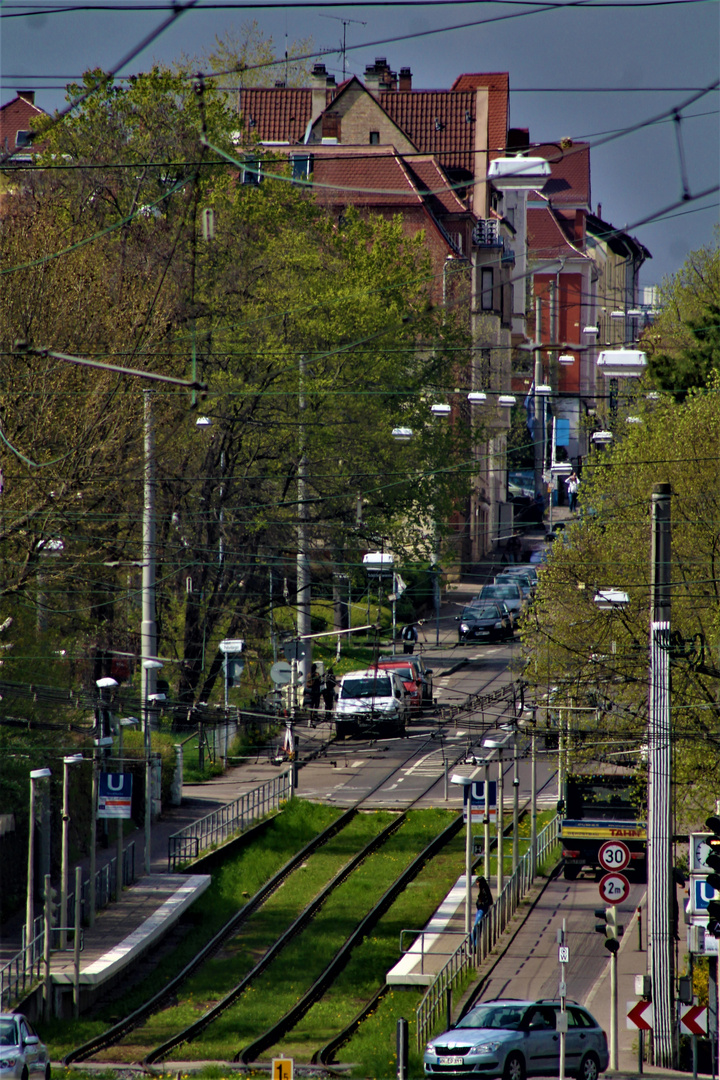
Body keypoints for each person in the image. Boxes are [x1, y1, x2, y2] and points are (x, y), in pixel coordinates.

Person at [472, 875, 493, 946]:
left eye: (477, 883)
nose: (477, 884)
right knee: (477, 927)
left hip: (482, 910)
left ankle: (472, 943)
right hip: (480, 910)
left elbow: (489, 901)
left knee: (476, 926)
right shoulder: (484, 890)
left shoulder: (484, 891)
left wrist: (480, 904)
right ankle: (474, 944)